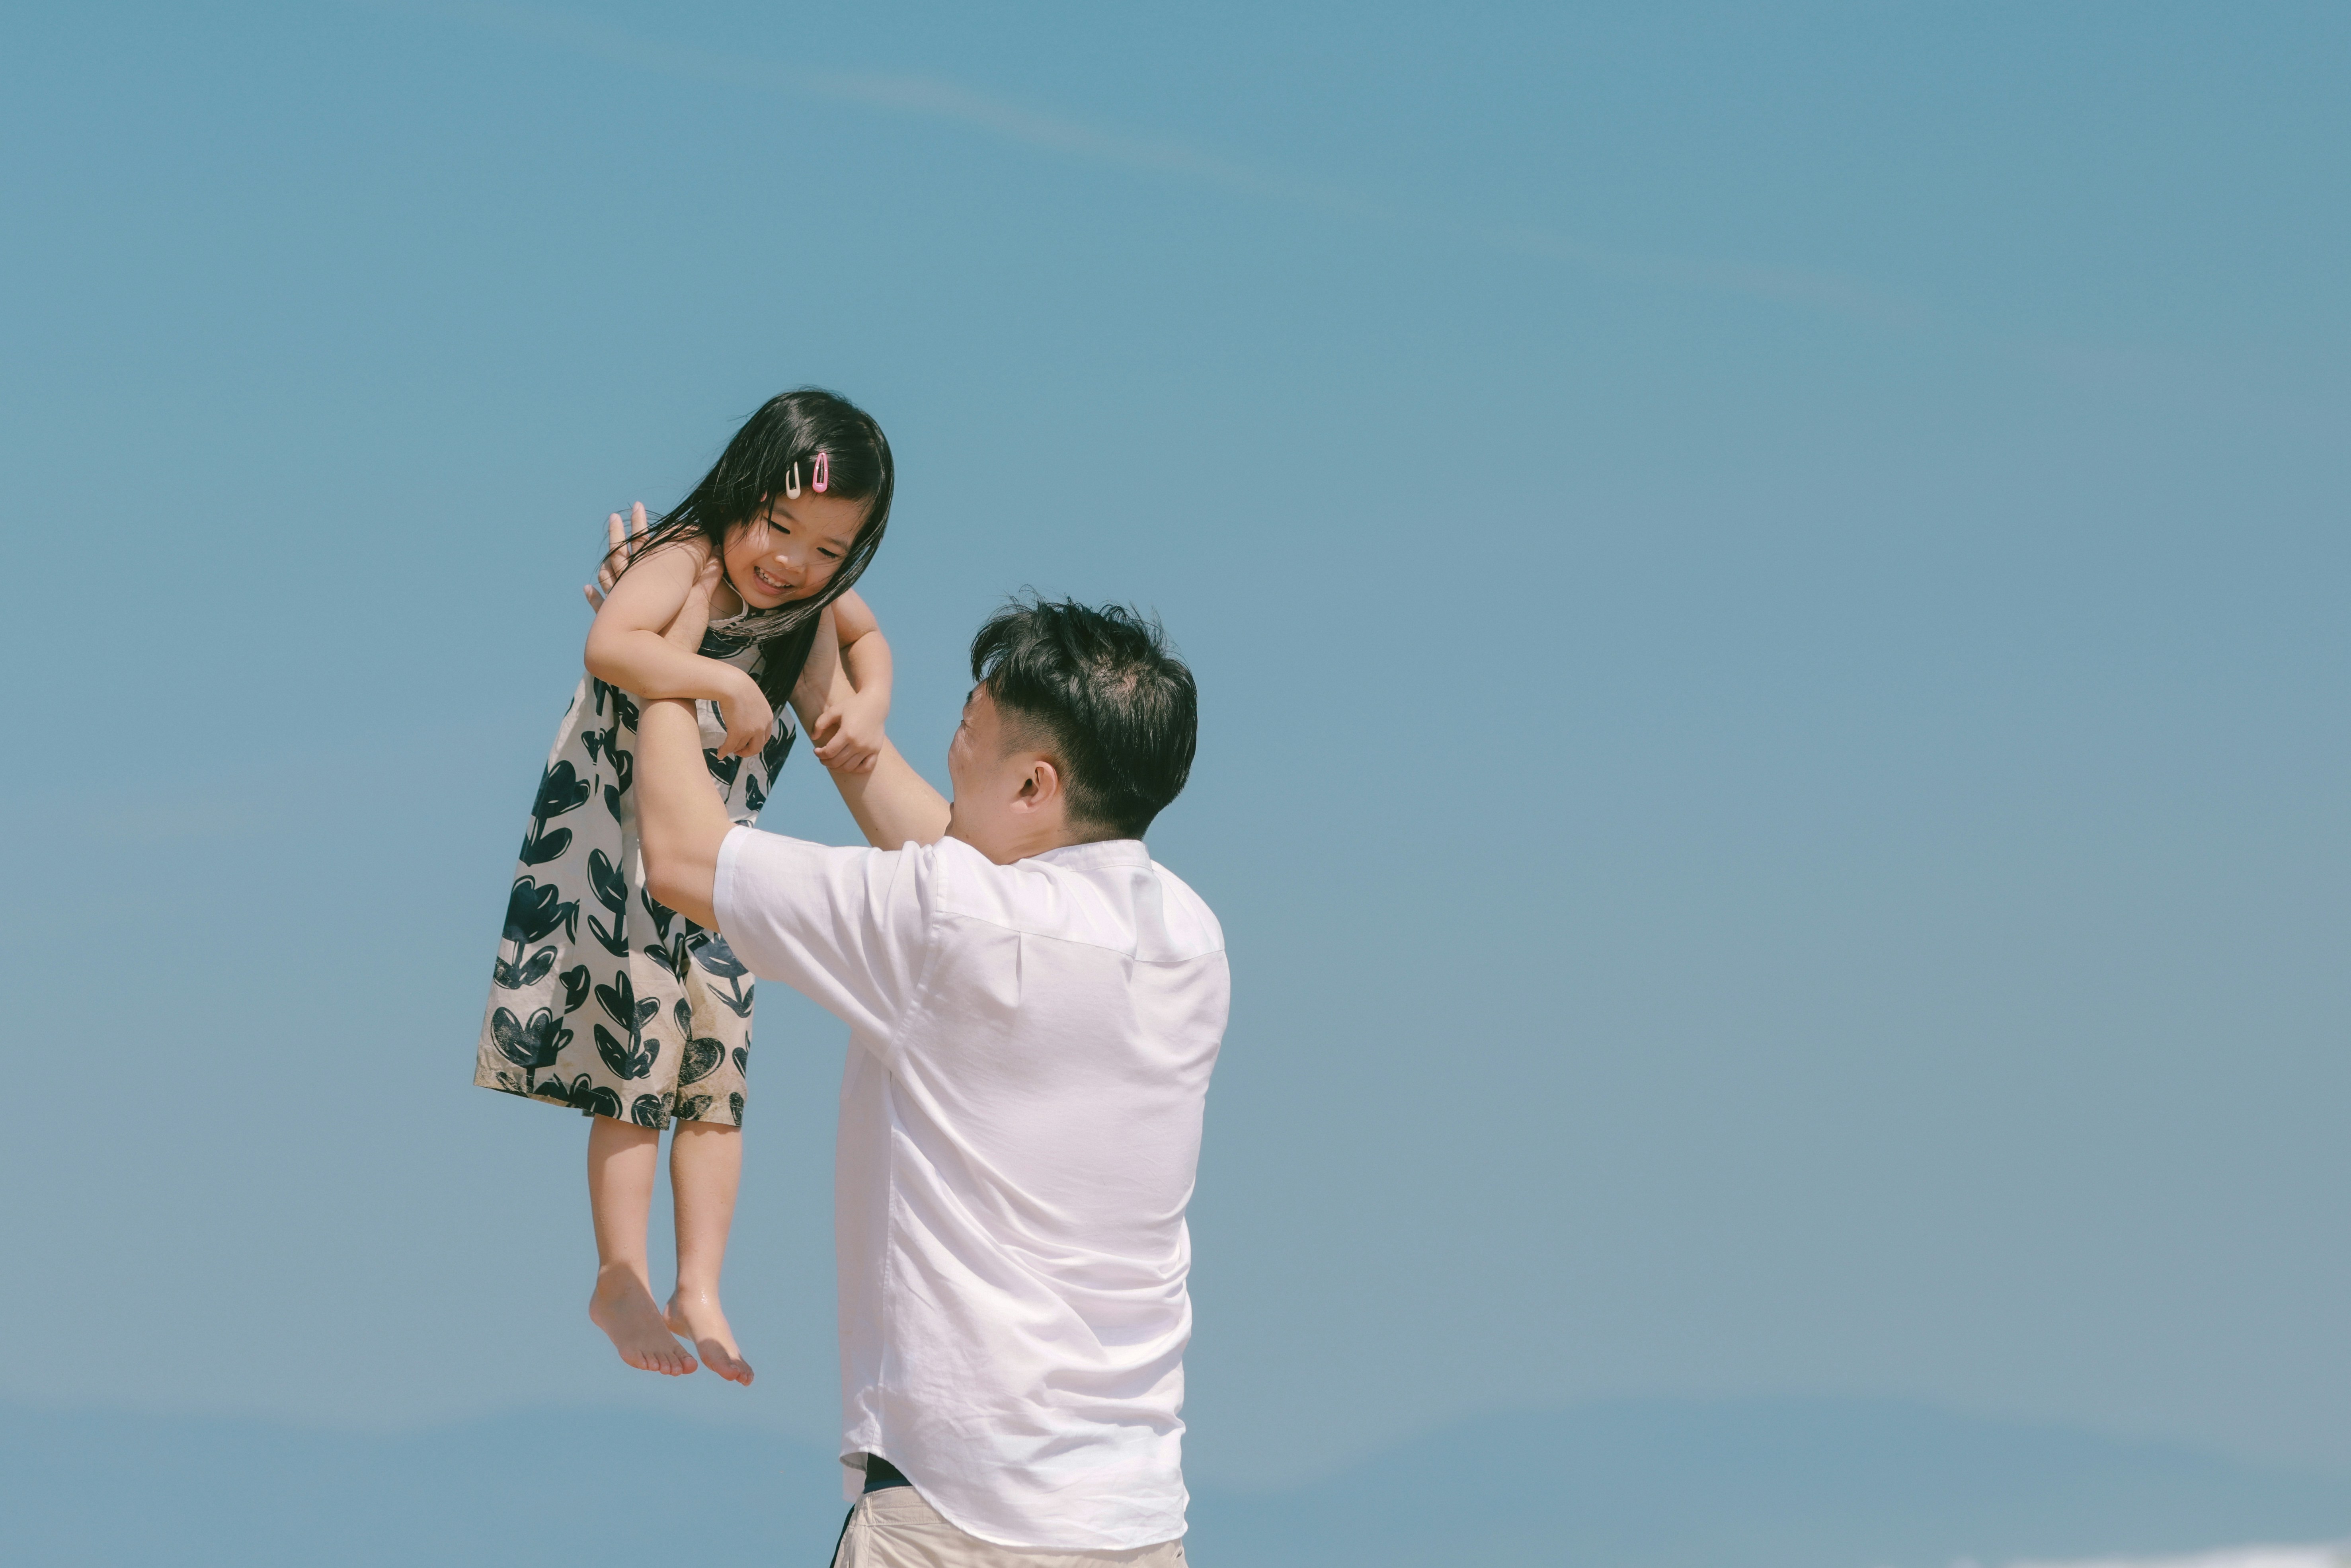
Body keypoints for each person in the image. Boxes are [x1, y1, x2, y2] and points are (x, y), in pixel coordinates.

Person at [631, 562, 1225, 1565]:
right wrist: (821, 684)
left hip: (951, 1521)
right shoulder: (1187, 938)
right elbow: (970, 871)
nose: (951, 748)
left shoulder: (949, 926)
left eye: (966, 731)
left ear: (1034, 785)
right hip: (1132, 1522)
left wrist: (662, 658)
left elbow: (683, 855)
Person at [471, 388, 897, 1386]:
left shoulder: (808, 600)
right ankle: (619, 1274)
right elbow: (610, 644)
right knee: (635, 1059)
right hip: (618, 845)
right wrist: (723, 678)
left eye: (828, 550)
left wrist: (870, 703)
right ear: (742, 489)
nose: (793, 562)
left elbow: (869, 639)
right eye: (779, 525)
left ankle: (698, 1281)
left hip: (715, 858)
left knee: (714, 1068)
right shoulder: (685, 556)